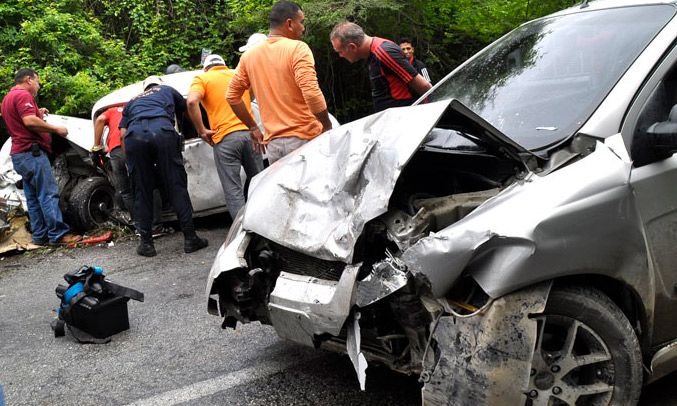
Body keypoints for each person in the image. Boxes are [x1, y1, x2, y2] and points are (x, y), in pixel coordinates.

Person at [226, 1, 332, 164]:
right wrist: (326, 125)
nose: (303, 28)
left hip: (274, 147)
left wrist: (253, 127)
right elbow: (311, 91)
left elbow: (232, 97)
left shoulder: (249, 56)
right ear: (289, 23)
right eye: (301, 22)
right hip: (305, 140)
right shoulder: (298, 49)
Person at [119, 75, 208, 257]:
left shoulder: (132, 102)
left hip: (134, 137)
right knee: (176, 185)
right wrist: (202, 131)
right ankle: (190, 238)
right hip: (162, 131)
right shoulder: (167, 90)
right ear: (159, 84)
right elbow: (188, 110)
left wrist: (132, 163)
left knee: (141, 191)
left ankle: (146, 244)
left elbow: (122, 135)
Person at [0, 68, 81, 245]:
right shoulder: (23, 95)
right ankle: (58, 234)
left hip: (19, 155)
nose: (38, 86)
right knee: (48, 194)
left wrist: (38, 112)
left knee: (33, 198)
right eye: (37, 81)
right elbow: (28, 121)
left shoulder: (8, 98)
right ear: (29, 79)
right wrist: (56, 129)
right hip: (32, 153)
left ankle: (40, 236)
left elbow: (22, 119)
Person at [187, 54, 264, 219]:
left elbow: (192, 102)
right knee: (260, 183)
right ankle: (264, 225)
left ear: (205, 68)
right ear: (224, 65)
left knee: (233, 189)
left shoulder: (202, 79)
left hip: (225, 139)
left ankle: (243, 233)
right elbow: (252, 95)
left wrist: (201, 130)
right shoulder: (237, 75)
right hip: (250, 134)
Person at [93, 106, 167, 234]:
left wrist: (96, 146)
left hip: (116, 151)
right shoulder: (137, 107)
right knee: (151, 186)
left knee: (126, 191)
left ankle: (140, 228)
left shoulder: (112, 111)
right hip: (136, 145)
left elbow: (100, 120)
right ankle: (156, 227)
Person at [330, 22, 433, 112]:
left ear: (353, 47)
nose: (340, 56)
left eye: (340, 52)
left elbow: (425, 87)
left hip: (404, 120)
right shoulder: (373, 52)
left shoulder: (384, 52)